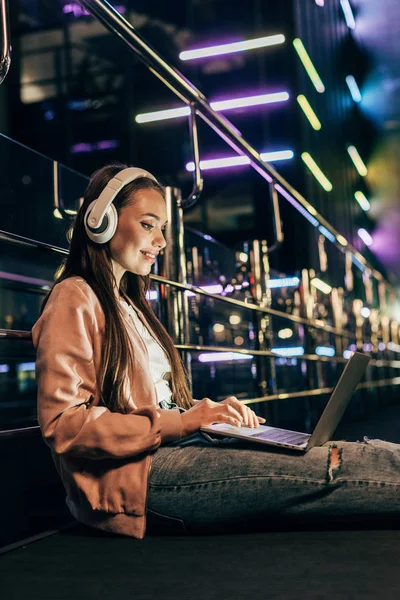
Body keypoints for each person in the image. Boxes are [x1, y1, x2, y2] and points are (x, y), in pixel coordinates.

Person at [32, 163, 400, 540]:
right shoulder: (74, 297)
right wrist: (184, 422)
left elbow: (155, 406)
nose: (160, 241)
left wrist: (205, 414)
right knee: (330, 469)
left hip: (173, 453)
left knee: (332, 452)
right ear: (101, 220)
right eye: (147, 224)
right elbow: (64, 425)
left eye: (163, 228)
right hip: (140, 479)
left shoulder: (130, 304)